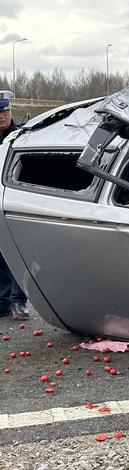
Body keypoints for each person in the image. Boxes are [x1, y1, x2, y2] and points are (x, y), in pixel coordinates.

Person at [0, 90, 29, 320]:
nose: (2, 116)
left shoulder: (21, 137)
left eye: (5, 111)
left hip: (14, 201)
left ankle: (18, 302)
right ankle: (2, 303)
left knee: (17, 255)